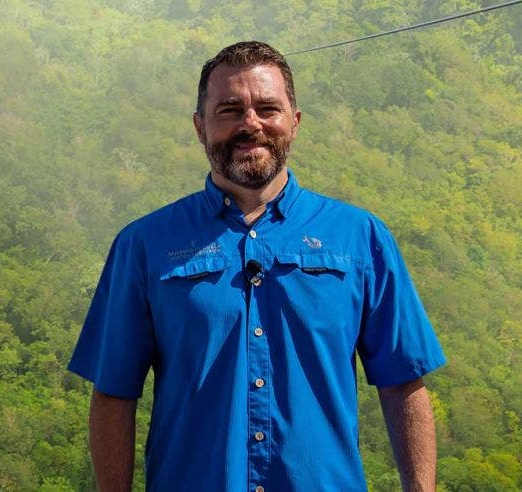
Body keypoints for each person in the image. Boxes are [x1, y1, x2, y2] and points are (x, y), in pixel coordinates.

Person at [68, 41, 446, 491]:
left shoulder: (361, 237)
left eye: (268, 108)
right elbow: (114, 392)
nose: (251, 124)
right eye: (230, 110)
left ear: (295, 122)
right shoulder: (144, 244)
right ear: (199, 127)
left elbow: (402, 383)